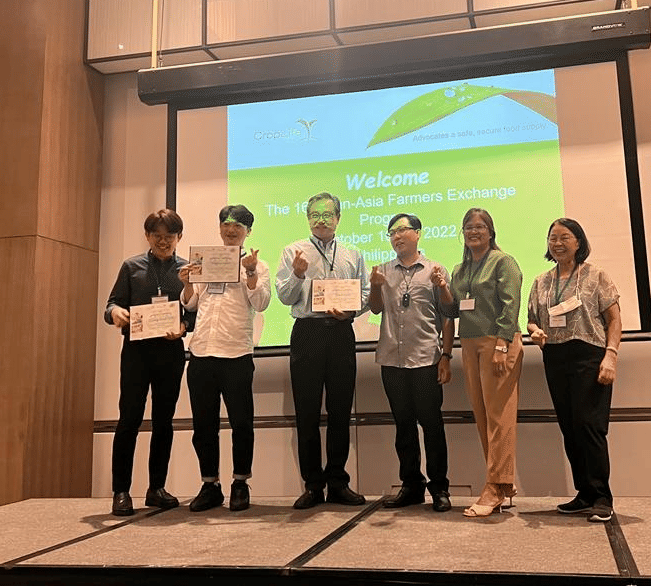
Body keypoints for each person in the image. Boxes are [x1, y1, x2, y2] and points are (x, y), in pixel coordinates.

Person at [276, 192, 370, 509]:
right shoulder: (293, 251)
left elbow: (365, 294)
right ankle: (313, 486)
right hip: (308, 333)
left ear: (339, 218)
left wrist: (351, 312)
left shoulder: (353, 254)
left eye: (327, 215)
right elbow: (285, 297)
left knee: (341, 412)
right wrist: (298, 273)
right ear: (307, 218)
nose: (321, 220)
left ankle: (338, 482)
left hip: (341, 333)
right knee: (307, 413)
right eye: (315, 214)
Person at [527, 218, 621, 523]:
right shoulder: (541, 281)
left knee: (589, 426)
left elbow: (614, 320)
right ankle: (584, 494)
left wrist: (611, 356)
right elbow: (531, 320)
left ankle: (602, 496)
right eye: (552, 237)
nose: (557, 243)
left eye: (564, 237)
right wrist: (534, 331)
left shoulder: (596, 275)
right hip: (555, 356)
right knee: (569, 426)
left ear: (578, 242)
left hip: (589, 355)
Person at [433, 208, 524, 517]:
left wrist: (501, 344)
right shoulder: (459, 270)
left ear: (490, 231)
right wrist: (443, 288)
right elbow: (454, 309)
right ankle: (500, 485)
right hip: (469, 344)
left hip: (498, 342)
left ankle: (495, 487)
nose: (473, 232)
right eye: (468, 227)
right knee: (484, 416)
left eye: (479, 227)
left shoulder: (503, 262)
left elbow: (511, 306)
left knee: (500, 416)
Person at [179, 204, 270, 513]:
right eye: (227, 225)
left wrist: (251, 271)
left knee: (241, 423)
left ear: (248, 232)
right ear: (220, 228)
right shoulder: (205, 261)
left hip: (236, 353)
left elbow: (261, 302)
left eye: (238, 227)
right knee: (203, 425)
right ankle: (210, 484)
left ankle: (240, 482)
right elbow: (191, 306)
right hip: (202, 351)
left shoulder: (258, 265)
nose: (231, 230)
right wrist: (187, 283)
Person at [104, 209, 195, 516]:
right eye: (156, 234)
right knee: (128, 420)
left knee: (163, 422)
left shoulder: (187, 270)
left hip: (170, 354)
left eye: (169, 235)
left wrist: (183, 328)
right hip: (136, 353)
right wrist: (116, 313)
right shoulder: (132, 267)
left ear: (179, 238)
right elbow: (111, 304)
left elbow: (194, 313)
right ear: (147, 236)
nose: (162, 240)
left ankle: (156, 488)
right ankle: (121, 491)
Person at [368, 213, 454, 513]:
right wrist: (376, 286)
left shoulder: (434, 270)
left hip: (426, 359)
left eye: (402, 230)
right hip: (392, 359)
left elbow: (447, 315)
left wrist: (446, 356)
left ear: (418, 233)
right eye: (392, 232)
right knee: (403, 426)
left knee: (432, 426)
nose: (396, 236)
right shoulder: (382, 271)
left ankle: (440, 488)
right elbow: (376, 309)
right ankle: (411, 485)